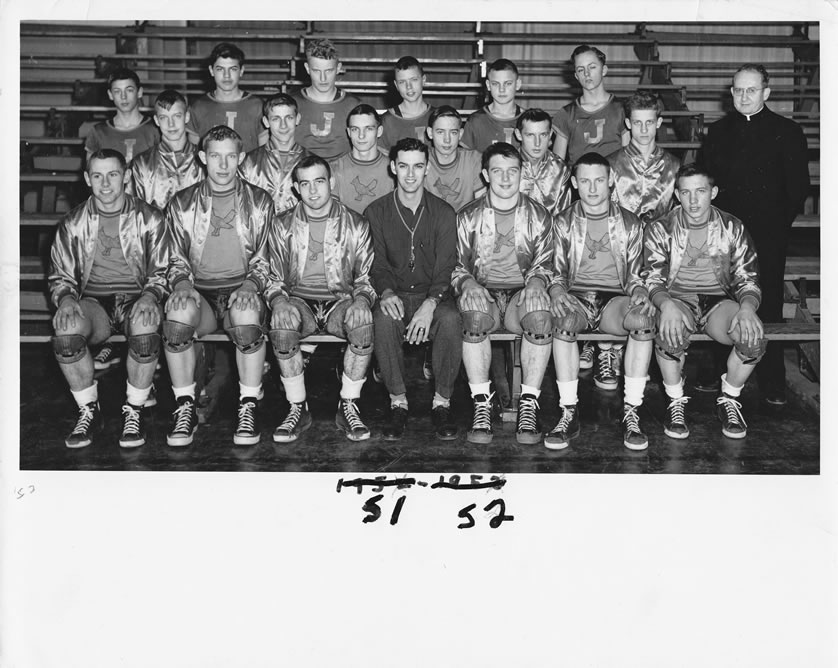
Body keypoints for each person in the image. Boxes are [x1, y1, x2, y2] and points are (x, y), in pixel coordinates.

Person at [701, 63, 810, 405]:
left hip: (767, 236)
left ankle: (773, 380)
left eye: (751, 90)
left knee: (769, 304)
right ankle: (722, 373)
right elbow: (706, 185)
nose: (743, 96)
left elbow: (798, 189)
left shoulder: (788, 131)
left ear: (766, 92)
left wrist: (774, 227)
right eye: (737, 90)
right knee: (723, 299)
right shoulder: (717, 133)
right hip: (724, 236)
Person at [163, 126, 274, 447]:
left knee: (245, 317)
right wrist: (182, 283)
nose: (223, 165)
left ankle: (248, 404)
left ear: (241, 158)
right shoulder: (182, 203)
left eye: (230, 157)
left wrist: (252, 285)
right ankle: (184, 406)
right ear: (202, 158)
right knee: (178, 314)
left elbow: (267, 256)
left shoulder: (259, 201)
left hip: (242, 288)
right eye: (215, 156)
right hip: (202, 294)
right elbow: (173, 256)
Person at [49, 149, 168, 448]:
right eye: (98, 176)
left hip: (136, 299)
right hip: (94, 304)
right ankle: (88, 409)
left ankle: (135, 409)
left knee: (144, 329)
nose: (105, 184)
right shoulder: (73, 223)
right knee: (66, 334)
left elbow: (163, 269)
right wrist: (65, 300)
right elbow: (61, 275)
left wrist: (151, 295)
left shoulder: (150, 218)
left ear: (126, 176)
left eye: (113, 174)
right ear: (87, 178)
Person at [645, 163, 766, 439]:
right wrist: (666, 305)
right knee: (668, 333)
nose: (693, 200)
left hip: (719, 301)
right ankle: (675, 400)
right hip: (678, 298)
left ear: (713, 192)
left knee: (752, 337)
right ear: (676, 194)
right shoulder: (661, 227)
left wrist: (747, 308)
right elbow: (652, 278)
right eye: (686, 192)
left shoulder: (732, 226)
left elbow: (748, 276)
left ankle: (730, 399)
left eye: (700, 191)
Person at [546, 152, 655, 450]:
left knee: (643, 321)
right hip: (577, 297)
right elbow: (555, 271)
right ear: (574, 183)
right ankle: (569, 411)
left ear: (611, 181)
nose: (593, 188)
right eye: (585, 181)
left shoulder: (631, 224)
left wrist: (640, 291)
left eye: (599, 181)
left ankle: (631, 410)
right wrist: (556, 291)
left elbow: (635, 274)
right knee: (564, 323)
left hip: (614, 299)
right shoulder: (563, 222)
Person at [265, 155, 376, 443]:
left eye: (319, 182)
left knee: (363, 324)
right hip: (298, 300)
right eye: (305, 184)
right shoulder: (281, 225)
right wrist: (279, 301)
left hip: (341, 299)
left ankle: (349, 404)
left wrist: (362, 301)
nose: (313, 191)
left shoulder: (356, 223)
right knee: (281, 325)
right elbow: (274, 278)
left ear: (331, 182)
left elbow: (365, 279)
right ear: (295, 188)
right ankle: (297, 407)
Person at [451, 143, 553, 445]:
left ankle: (528, 404)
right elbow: (456, 264)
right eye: (498, 171)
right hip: (485, 292)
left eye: (513, 171)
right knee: (474, 318)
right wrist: (467, 283)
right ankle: (482, 403)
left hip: (521, 293)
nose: (506, 179)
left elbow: (546, 261)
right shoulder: (467, 216)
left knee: (539, 319)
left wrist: (537, 282)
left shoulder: (539, 215)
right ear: (485, 174)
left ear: (522, 173)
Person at [366, 138, 460, 441]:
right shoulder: (377, 210)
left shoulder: (444, 212)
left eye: (417, 166)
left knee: (450, 320)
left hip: (432, 295)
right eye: (403, 166)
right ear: (393, 167)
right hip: (395, 293)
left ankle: (442, 402)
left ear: (427, 169)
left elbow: (446, 267)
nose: (410, 174)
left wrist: (431, 303)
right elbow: (377, 263)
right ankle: (398, 401)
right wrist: (387, 292)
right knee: (382, 319)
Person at [608, 90, 680, 225]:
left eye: (649, 122)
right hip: (622, 242)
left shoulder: (674, 166)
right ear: (628, 123)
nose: (644, 129)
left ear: (658, 122)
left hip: (662, 243)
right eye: (637, 123)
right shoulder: (611, 164)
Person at [551, 45, 629, 166]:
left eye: (592, 67)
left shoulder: (621, 110)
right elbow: (557, 165)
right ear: (576, 76)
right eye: (581, 70)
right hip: (579, 182)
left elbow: (627, 161)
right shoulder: (566, 114)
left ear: (603, 70)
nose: (587, 74)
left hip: (613, 181)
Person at [129, 89, 205, 210]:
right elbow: (132, 211)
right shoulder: (141, 163)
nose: (171, 124)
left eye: (177, 116)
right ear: (156, 120)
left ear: (187, 117)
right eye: (164, 117)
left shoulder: (204, 162)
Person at [186, 42, 266, 154]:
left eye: (233, 69)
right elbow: (193, 153)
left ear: (241, 71)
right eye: (220, 69)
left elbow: (264, 154)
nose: (226, 75)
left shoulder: (257, 106)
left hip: (249, 170)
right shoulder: (199, 107)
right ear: (211, 70)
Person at [238, 93, 311, 215]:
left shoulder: (312, 162)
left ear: (297, 119)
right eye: (276, 119)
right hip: (259, 232)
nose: (283, 125)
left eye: (289, 118)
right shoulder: (248, 163)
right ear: (266, 122)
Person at [293, 38, 362, 161]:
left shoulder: (353, 105)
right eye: (316, 71)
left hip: (342, 175)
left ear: (338, 68)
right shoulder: (293, 103)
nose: (323, 78)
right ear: (307, 68)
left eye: (329, 71)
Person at [84, 68, 159, 164]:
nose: (123, 96)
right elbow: (92, 173)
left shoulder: (155, 129)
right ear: (110, 95)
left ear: (139, 92)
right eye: (117, 91)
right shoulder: (98, 132)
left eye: (129, 90)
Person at [329, 104, 394, 214]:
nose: (361, 136)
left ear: (379, 131)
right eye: (355, 129)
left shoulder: (393, 168)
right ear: (349, 132)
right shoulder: (334, 169)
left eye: (368, 129)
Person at [424, 106, 485, 213]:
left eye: (453, 132)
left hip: (465, 225)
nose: (447, 139)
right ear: (430, 133)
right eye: (440, 132)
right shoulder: (421, 160)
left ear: (460, 134)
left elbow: (481, 207)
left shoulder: (473, 160)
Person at [515, 108, 572, 215]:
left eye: (543, 135)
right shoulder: (506, 167)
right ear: (519, 135)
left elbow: (563, 217)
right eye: (530, 135)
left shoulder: (561, 169)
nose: (537, 143)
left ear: (550, 134)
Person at [461, 59, 524, 153]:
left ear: (518, 84)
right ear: (488, 85)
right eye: (495, 84)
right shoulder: (476, 121)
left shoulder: (527, 120)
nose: (501, 90)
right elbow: (465, 159)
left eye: (508, 84)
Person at [379, 56, 435, 151]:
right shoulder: (387, 121)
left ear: (423, 80)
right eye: (402, 82)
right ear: (396, 85)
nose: (409, 87)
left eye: (414, 80)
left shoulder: (437, 117)